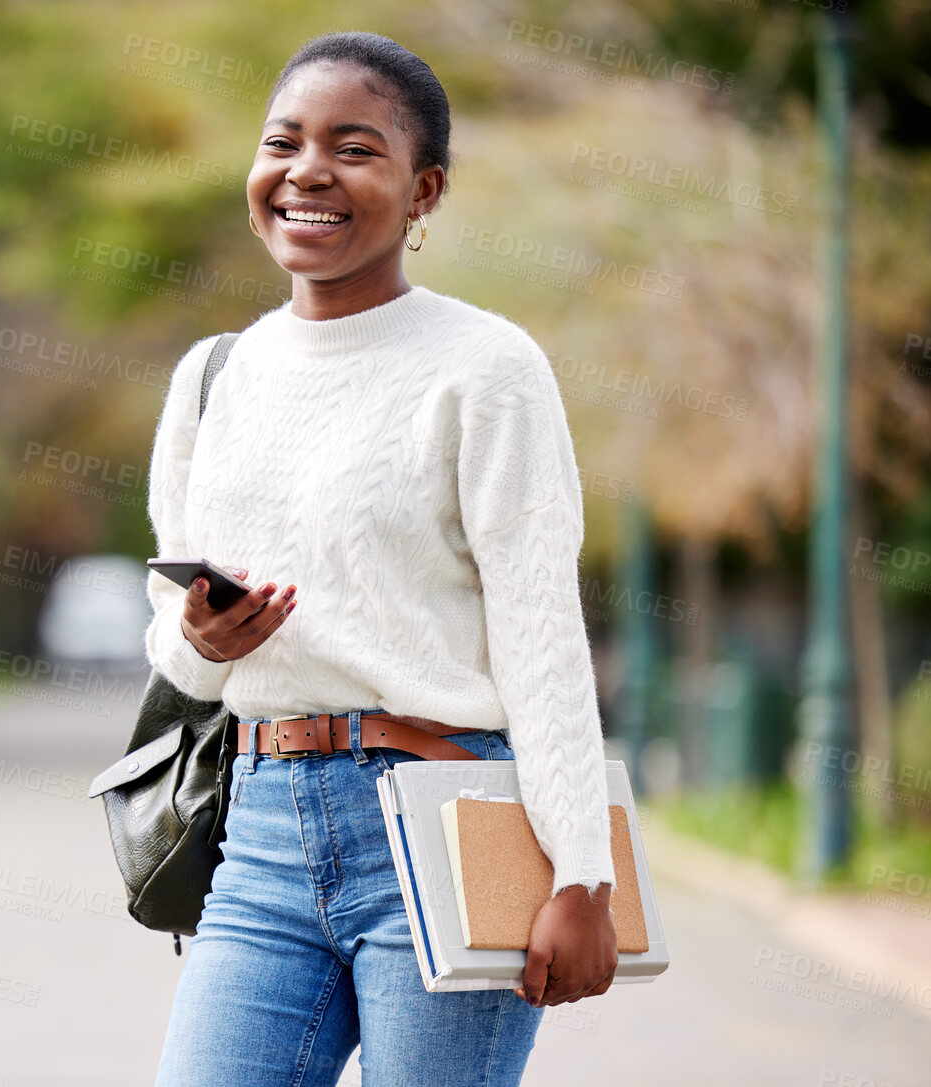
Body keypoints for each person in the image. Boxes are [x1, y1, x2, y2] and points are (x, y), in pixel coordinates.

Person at [144, 31, 618, 1087]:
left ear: (423, 191)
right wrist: (200, 643)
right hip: (259, 824)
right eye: (284, 142)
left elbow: (538, 629)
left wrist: (583, 870)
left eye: (354, 148)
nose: (308, 170)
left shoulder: (486, 367)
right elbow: (171, 651)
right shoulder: (212, 376)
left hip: (447, 818)